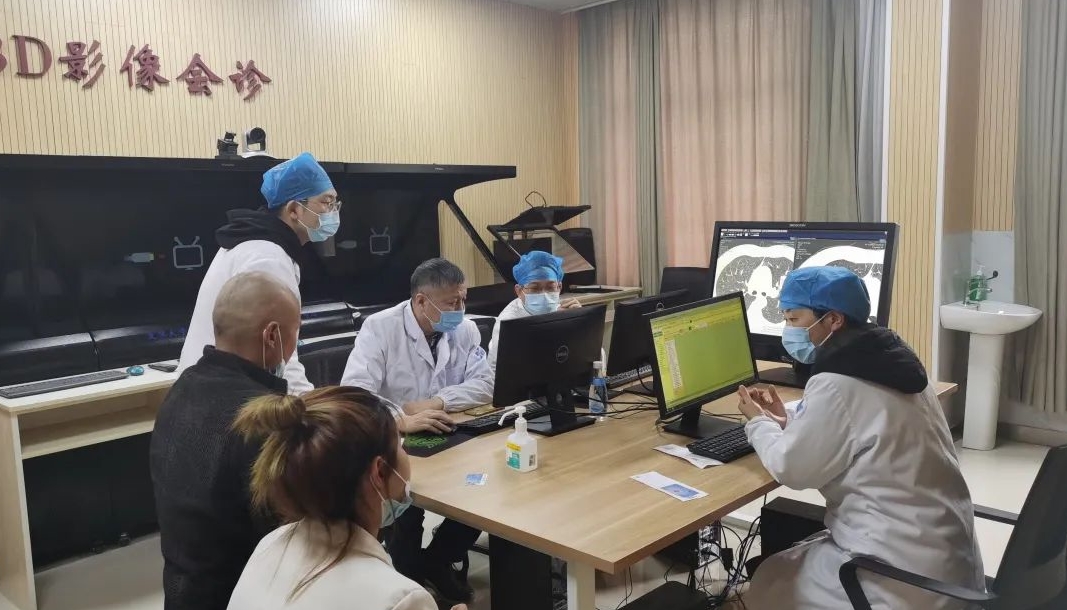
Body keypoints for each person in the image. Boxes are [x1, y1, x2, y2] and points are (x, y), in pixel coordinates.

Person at [736, 266, 984, 610]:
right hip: (947, 561)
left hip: (899, 575)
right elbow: (860, 424)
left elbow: (792, 470)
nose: (789, 330)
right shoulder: (893, 362)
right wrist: (789, 419)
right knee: (793, 557)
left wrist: (757, 423)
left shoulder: (837, 381)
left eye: (794, 319)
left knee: (768, 579)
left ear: (833, 320)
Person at [226, 387, 466, 610]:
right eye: (400, 445)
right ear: (379, 472)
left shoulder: (271, 544)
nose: (405, 453)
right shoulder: (401, 599)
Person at [340, 257, 493, 605]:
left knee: (484, 492)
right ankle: (409, 580)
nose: (460, 309)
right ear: (421, 301)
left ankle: (438, 561)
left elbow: (485, 384)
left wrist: (438, 401)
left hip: (447, 433)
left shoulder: (465, 329)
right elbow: (355, 395)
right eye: (452, 303)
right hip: (395, 442)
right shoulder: (381, 328)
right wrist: (401, 418)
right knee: (408, 512)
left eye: (463, 299)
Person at [150, 272, 301, 610]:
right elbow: (290, 540)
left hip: (183, 593)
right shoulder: (262, 417)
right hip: (242, 597)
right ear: (272, 336)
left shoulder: (182, 389)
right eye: (296, 333)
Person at [178, 152, 342, 395]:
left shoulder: (257, 243)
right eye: (326, 202)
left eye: (335, 203)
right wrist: (309, 403)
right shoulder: (267, 257)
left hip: (206, 385)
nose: (333, 211)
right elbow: (277, 351)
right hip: (223, 394)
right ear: (294, 210)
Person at [487, 250, 581, 369]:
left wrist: (579, 321)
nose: (544, 294)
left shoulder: (564, 310)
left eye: (550, 287)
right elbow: (501, 369)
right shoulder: (508, 322)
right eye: (535, 288)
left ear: (559, 287)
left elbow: (585, 355)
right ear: (519, 291)